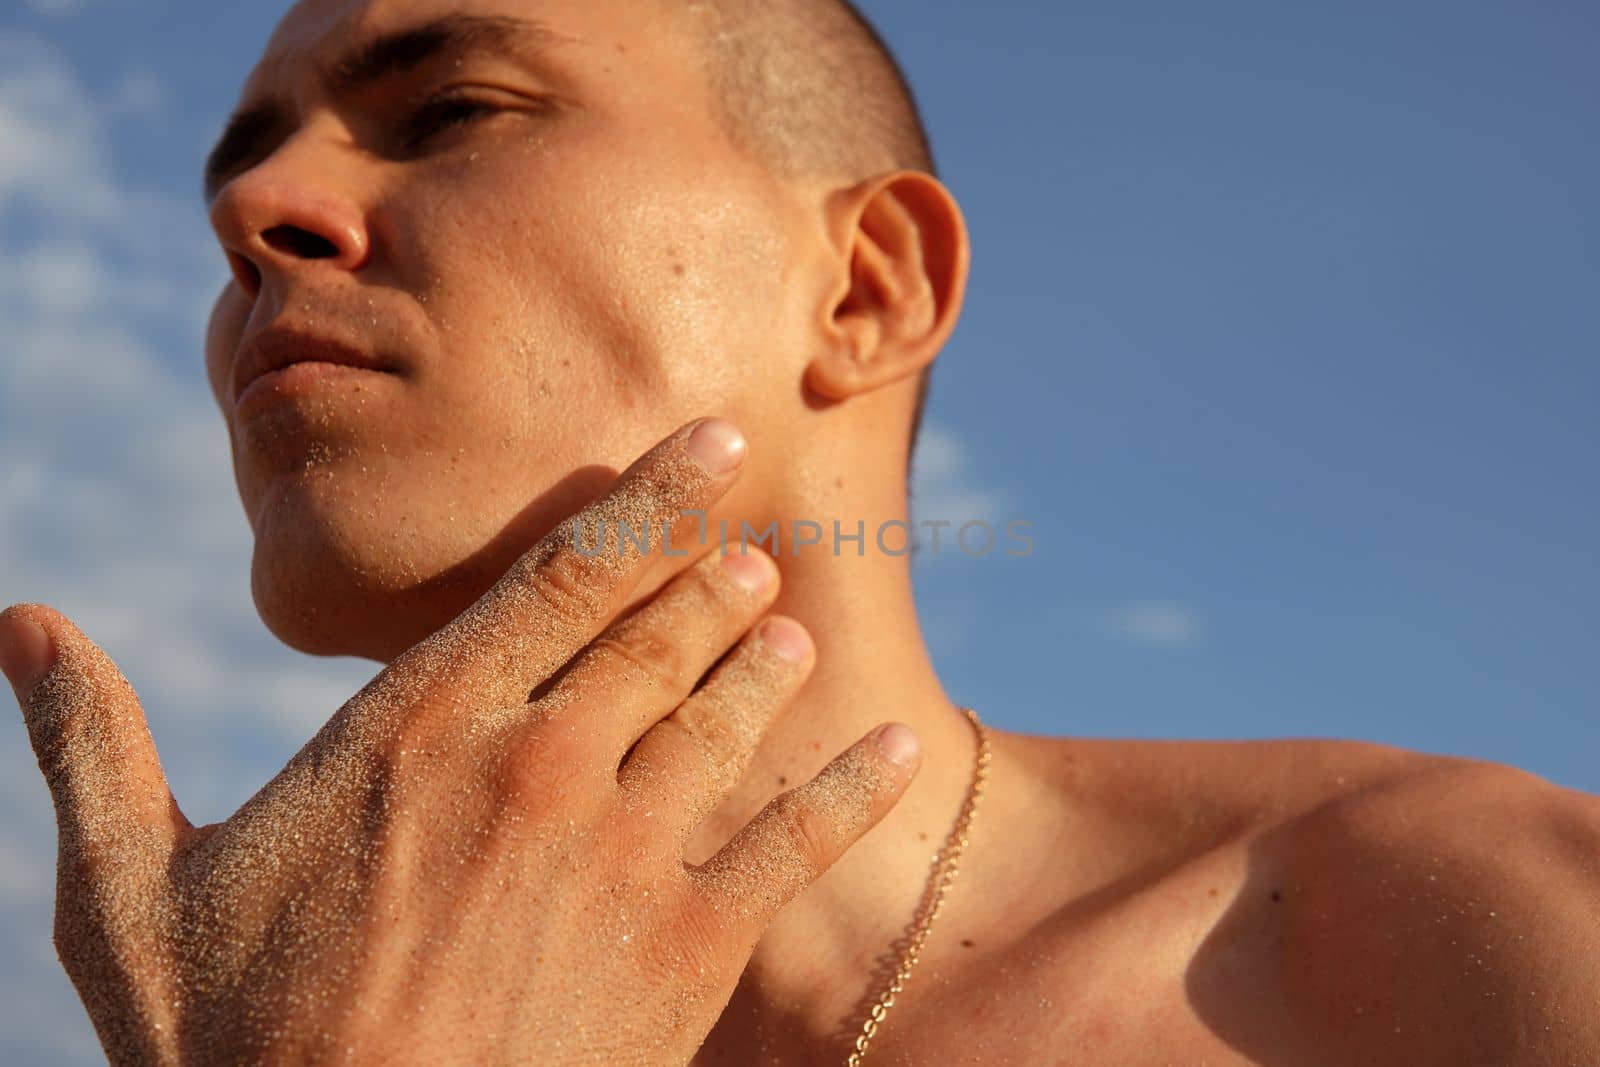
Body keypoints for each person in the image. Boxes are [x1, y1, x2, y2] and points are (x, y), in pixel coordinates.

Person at [2, 0, 1596, 1062]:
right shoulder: (251, 1017)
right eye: (241, 162)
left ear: (865, 287)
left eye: (450, 111)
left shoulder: (1465, 938)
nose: (255, 209)